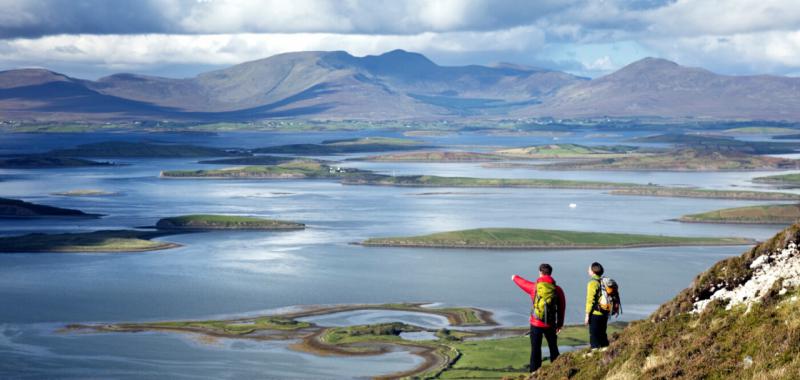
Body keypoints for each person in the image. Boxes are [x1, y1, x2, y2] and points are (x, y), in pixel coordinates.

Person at [512, 263, 566, 373]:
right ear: (550, 273)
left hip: (536, 323)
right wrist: (559, 324)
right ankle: (557, 371)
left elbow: (523, 283)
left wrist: (514, 277)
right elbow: (562, 308)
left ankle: (534, 373)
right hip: (551, 324)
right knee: (553, 348)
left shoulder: (534, 287)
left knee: (535, 350)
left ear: (540, 273)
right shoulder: (557, 290)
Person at [585, 262, 609, 348]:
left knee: (594, 335)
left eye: (589, 269)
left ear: (593, 271)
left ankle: (595, 354)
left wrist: (587, 315)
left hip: (596, 313)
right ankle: (606, 352)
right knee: (602, 334)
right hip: (605, 312)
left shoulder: (592, 283)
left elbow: (590, 300)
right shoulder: (604, 281)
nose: (588, 270)